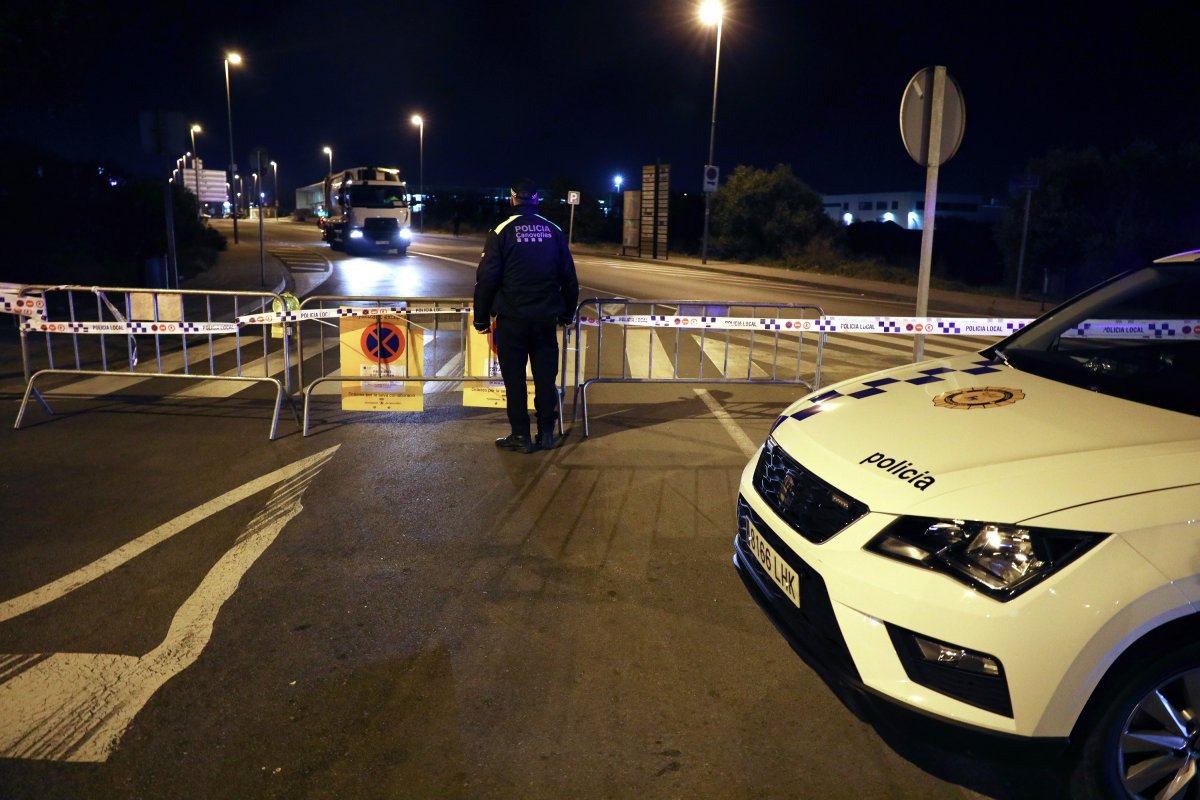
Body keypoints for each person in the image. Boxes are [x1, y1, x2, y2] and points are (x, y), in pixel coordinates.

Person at [473, 178, 579, 453]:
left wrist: (481, 318)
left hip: (512, 319)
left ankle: (520, 436)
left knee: (515, 380)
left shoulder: (501, 231)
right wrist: (567, 313)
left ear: (512, 200)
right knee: (546, 378)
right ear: (536, 200)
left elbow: (486, 279)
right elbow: (569, 279)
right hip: (545, 319)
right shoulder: (554, 231)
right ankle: (546, 434)